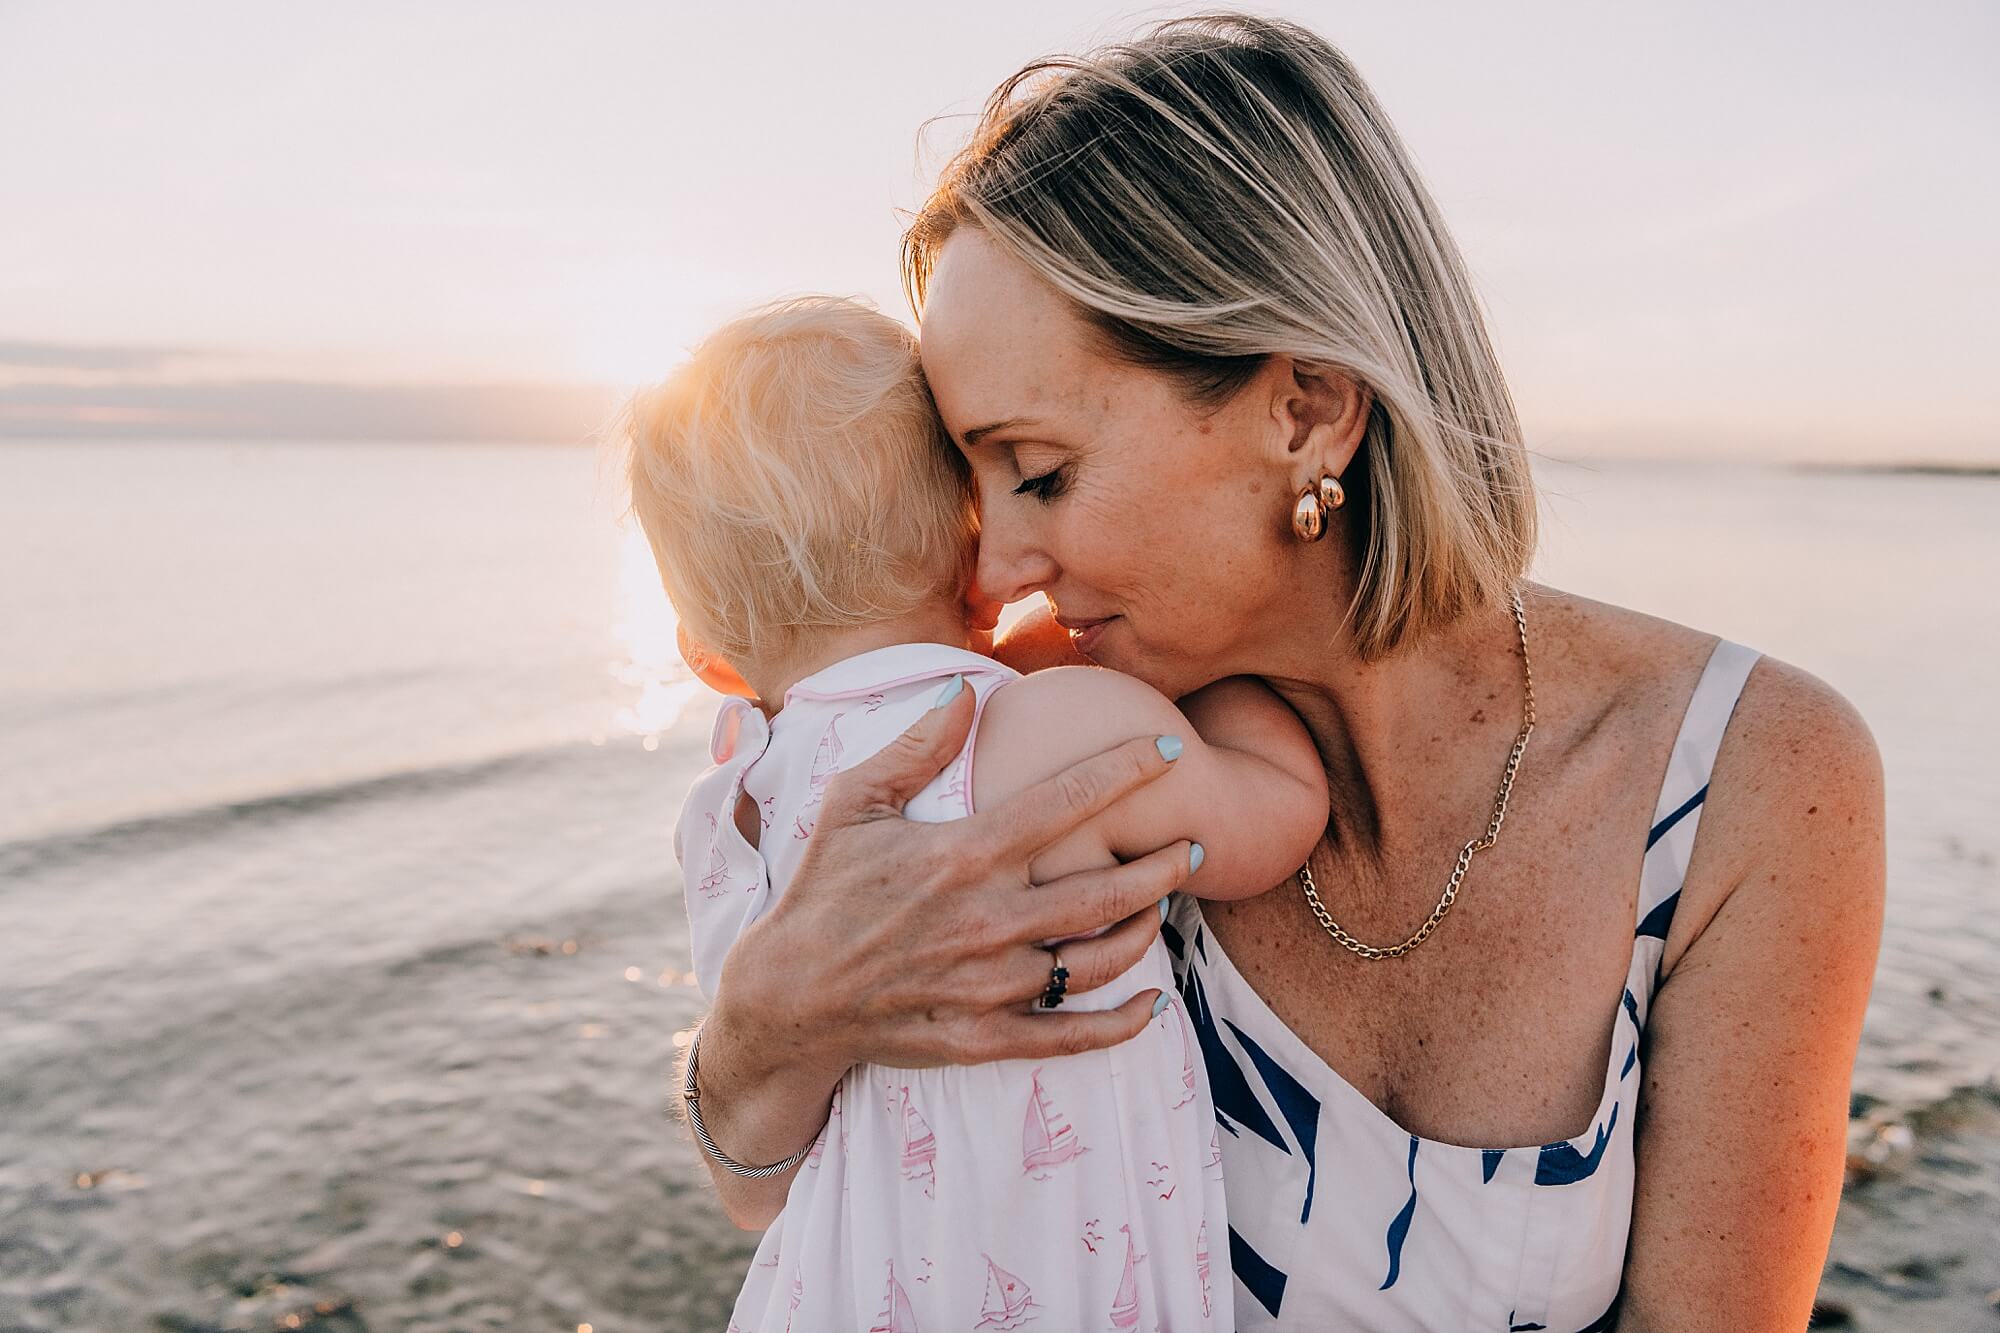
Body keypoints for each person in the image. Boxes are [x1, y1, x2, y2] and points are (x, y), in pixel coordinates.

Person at [681, 16, 1885, 1330]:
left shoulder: (1750, 779)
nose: (999, 567)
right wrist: (768, 1020)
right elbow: (766, 1188)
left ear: (1307, 404)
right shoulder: (1028, 732)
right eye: (970, 490)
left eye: (1039, 472)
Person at [626, 297, 1328, 1330]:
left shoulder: (727, 809)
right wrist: (1215, 677)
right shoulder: (1061, 733)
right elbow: (1279, 813)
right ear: (977, 568)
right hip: (1054, 1282)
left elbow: (757, 1082)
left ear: (709, 658)